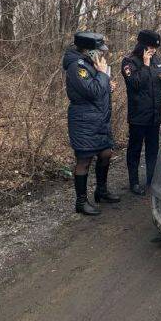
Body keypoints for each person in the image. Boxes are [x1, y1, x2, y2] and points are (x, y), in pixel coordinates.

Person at [63, 31, 121, 215]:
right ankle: (81, 201)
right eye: (98, 50)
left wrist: (107, 85)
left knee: (106, 153)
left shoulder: (90, 63)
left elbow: (98, 88)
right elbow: (93, 91)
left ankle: (101, 191)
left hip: (99, 118)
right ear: (87, 50)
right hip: (84, 120)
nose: (102, 53)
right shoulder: (76, 67)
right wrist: (103, 75)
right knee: (84, 160)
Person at [121, 29, 161, 195]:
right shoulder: (129, 62)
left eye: (155, 48)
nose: (154, 51)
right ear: (142, 46)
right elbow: (135, 83)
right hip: (138, 115)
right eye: (150, 47)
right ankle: (133, 182)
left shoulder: (157, 60)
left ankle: (151, 180)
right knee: (134, 149)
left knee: (153, 149)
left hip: (155, 114)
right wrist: (145, 64)